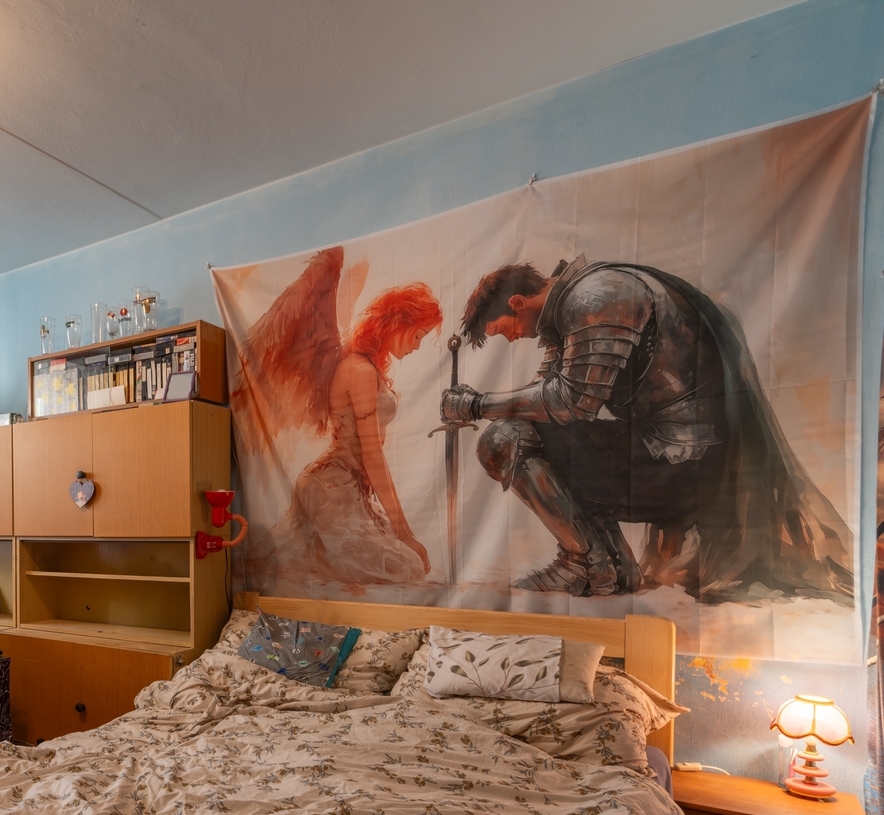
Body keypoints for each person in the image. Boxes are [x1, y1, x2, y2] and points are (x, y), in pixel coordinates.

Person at [442, 255, 852, 603]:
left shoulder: (595, 296)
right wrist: (482, 404)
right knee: (521, 431)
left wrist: (477, 405)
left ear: (517, 303)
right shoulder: (572, 304)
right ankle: (609, 568)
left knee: (503, 440)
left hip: (686, 463)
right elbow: (545, 400)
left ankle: (585, 564)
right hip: (673, 451)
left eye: (505, 330)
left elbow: (571, 401)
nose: (513, 338)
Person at [233, 248, 443, 595]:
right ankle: (271, 553)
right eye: (418, 335)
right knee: (404, 566)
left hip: (350, 489)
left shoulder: (369, 365)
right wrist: (403, 531)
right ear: (398, 323)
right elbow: (371, 454)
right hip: (330, 488)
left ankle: (277, 552)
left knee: (410, 564)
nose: (418, 346)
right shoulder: (358, 369)